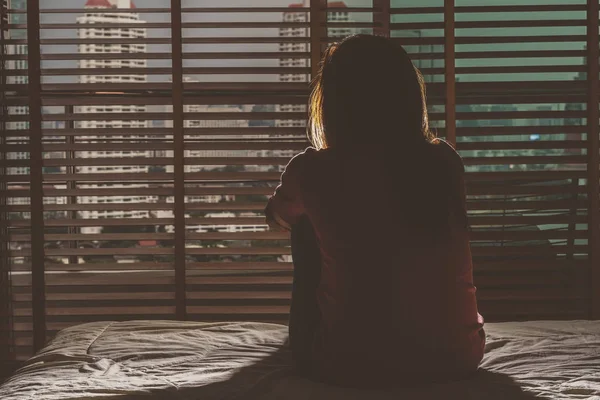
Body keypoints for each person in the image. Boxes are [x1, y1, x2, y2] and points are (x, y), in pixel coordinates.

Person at [265, 34, 485, 388]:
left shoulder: (312, 171)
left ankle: (337, 336)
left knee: (304, 222)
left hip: (348, 364)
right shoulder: (444, 162)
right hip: (457, 358)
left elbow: (275, 215)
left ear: (334, 103)